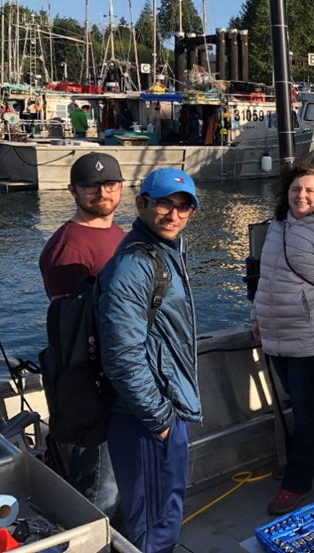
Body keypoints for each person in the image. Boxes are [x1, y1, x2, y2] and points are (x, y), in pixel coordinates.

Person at [96, 168, 201, 553]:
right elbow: (122, 357)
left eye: (183, 207)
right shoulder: (134, 267)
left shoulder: (166, 252)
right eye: (163, 204)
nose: (173, 215)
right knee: (154, 526)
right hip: (146, 420)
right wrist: (160, 421)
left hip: (165, 411)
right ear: (141, 204)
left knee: (164, 514)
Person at [251, 161, 314, 515]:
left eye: (310, 190)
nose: (302, 196)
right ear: (287, 193)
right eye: (296, 189)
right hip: (276, 331)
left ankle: (297, 482)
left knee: (306, 408)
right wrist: (257, 317)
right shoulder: (277, 226)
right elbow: (267, 278)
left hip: (311, 334)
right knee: (297, 399)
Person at [39, 151, 126, 517]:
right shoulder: (66, 247)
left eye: (109, 184)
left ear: (121, 188)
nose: (101, 193)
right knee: (99, 486)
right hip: (94, 384)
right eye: (91, 185)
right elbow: (69, 329)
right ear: (73, 190)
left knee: (119, 474)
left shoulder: (120, 234)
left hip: (124, 376)